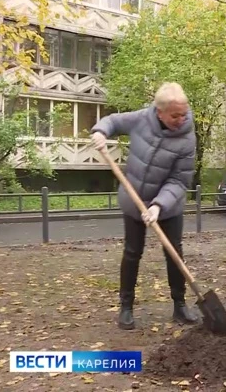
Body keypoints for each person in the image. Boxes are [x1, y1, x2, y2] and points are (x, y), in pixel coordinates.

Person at [90, 82, 198, 330]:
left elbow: (180, 180)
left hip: (168, 204)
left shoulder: (187, 138)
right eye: (175, 115)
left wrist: (159, 206)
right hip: (134, 197)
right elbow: (113, 121)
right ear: (159, 112)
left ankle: (180, 306)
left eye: (184, 113)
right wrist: (100, 131)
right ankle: (126, 306)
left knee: (174, 253)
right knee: (132, 252)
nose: (181, 119)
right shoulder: (141, 119)